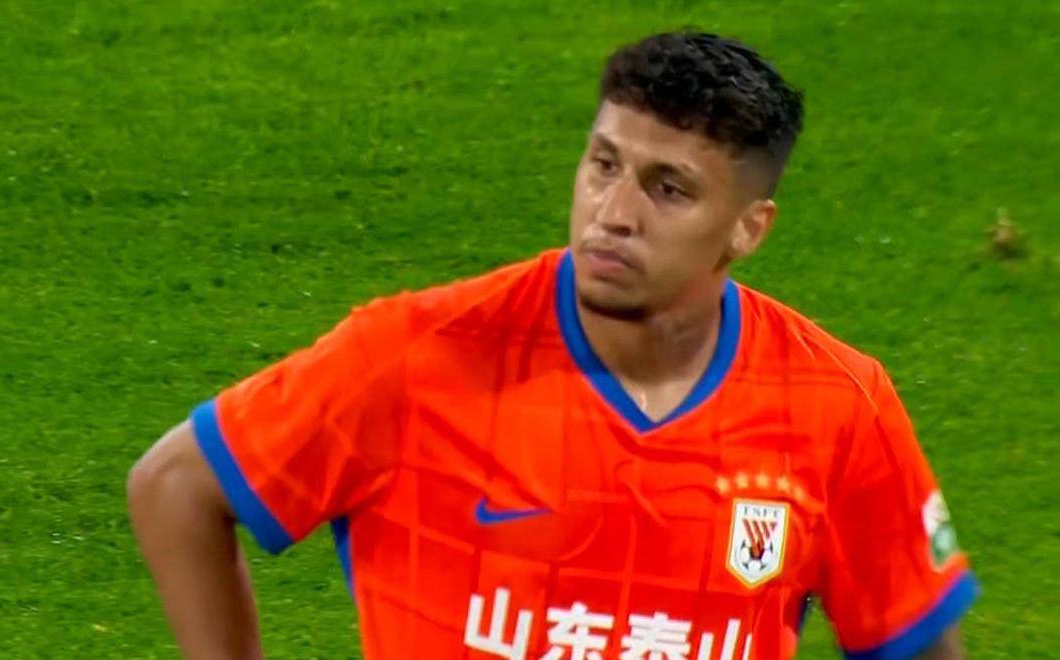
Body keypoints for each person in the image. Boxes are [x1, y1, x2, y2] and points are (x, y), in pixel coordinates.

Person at [128, 31, 976, 660]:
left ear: (748, 228)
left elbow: (916, 637)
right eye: (604, 165)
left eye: (668, 189)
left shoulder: (835, 405)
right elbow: (175, 488)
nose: (614, 213)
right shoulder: (418, 356)